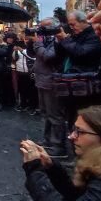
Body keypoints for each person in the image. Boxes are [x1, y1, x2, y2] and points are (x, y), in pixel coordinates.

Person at [56, 10, 101, 128]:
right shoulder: (75, 35)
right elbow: (59, 57)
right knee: (72, 119)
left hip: (87, 87)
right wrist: (59, 41)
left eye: (73, 24)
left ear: (84, 21)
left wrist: (66, 40)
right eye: (70, 25)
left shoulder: (94, 35)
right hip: (73, 85)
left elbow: (81, 53)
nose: (71, 28)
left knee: (84, 121)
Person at [34, 17, 68, 158]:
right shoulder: (45, 40)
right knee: (45, 113)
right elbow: (35, 53)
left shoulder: (59, 41)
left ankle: (58, 146)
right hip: (42, 80)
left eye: (44, 27)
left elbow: (49, 57)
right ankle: (48, 141)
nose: (41, 29)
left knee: (54, 115)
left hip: (52, 81)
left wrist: (37, 45)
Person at [13, 31, 37, 114]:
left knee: (31, 90)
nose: (25, 40)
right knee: (22, 90)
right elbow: (14, 58)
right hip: (20, 71)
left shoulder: (32, 47)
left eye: (27, 39)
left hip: (29, 72)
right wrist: (15, 51)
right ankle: (23, 104)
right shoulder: (19, 46)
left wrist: (22, 50)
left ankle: (32, 106)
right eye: (24, 38)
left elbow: (32, 58)